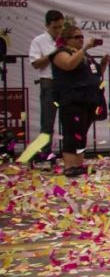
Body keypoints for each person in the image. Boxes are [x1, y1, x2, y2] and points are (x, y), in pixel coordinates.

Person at [50, 20, 108, 178]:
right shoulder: (61, 53)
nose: (80, 40)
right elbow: (68, 65)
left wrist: (103, 65)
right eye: (76, 37)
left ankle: (79, 164)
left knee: (81, 133)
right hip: (72, 99)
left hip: (89, 99)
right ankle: (69, 166)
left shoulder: (85, 55)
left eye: (82, 37)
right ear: (67, 39)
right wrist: (84, 49)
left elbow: (94, 74)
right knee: (71, 132)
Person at [26, 10, 65, 166]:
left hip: (65, 82)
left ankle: (69, 153)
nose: (58, 31)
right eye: (55, 27)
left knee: (69, 120)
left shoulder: (64, 40)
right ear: (47, 25)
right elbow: (35, 64)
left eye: (61, 27)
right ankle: (45, 154)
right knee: (47, 122)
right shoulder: (39, 41)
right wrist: (52, 55)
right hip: (48, 82)